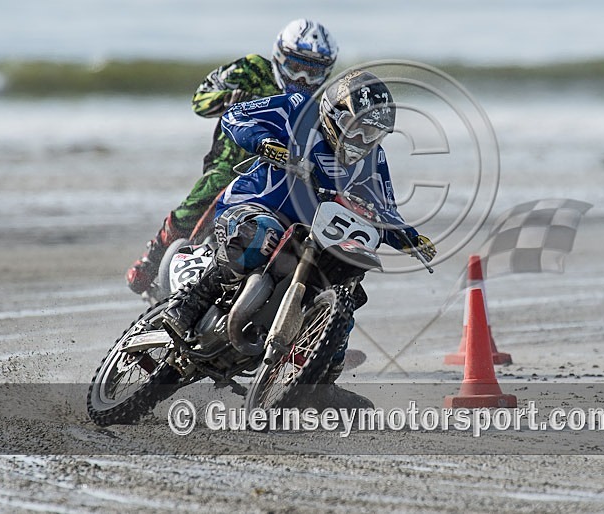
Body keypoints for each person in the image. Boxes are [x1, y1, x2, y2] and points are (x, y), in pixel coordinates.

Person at [162, 69, 436, 407]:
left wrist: (410, 239)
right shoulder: (297, 109)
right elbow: (236, 116)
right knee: (261, 236)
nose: (363, 141)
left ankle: (322, 380)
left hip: (315, 231)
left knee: (348, 283)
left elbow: (385, 208)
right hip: (254, 206)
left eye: (373, 133)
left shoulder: (374, 157)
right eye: (357, 129)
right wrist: (265, 143)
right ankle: (190, 301)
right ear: (334, 114)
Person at [126, 19, 339, 295]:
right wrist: (229, 100)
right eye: (295, 67)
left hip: (284, 172)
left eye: (312, 72)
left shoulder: (323, 100)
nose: (301, 79)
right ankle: (153, 258)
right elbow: (200, 99)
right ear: (278, 57)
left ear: (326, 72)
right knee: (211, 186)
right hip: (233, 161)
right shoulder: (251, 69)